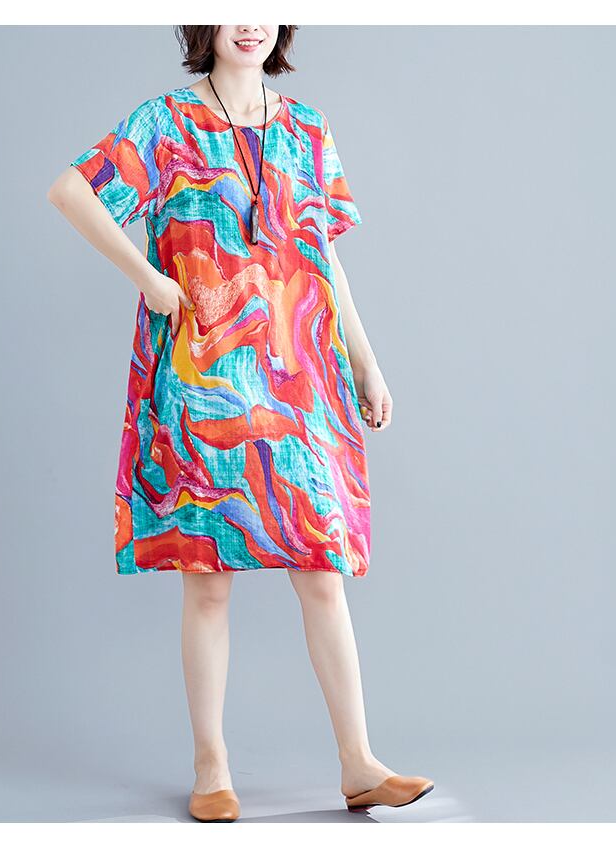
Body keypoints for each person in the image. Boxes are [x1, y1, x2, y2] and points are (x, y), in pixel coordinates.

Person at [47, 24, 433, 822]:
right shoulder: (165, 123)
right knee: (208, 581)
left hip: (300, 380)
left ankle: (359, 761)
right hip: (205, 381)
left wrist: (367, 361)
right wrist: (148, 277)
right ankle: (211, 767)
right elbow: (71, 191)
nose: (249, 21)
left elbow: (324, 258)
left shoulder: (307, 129)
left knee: (322, 569)